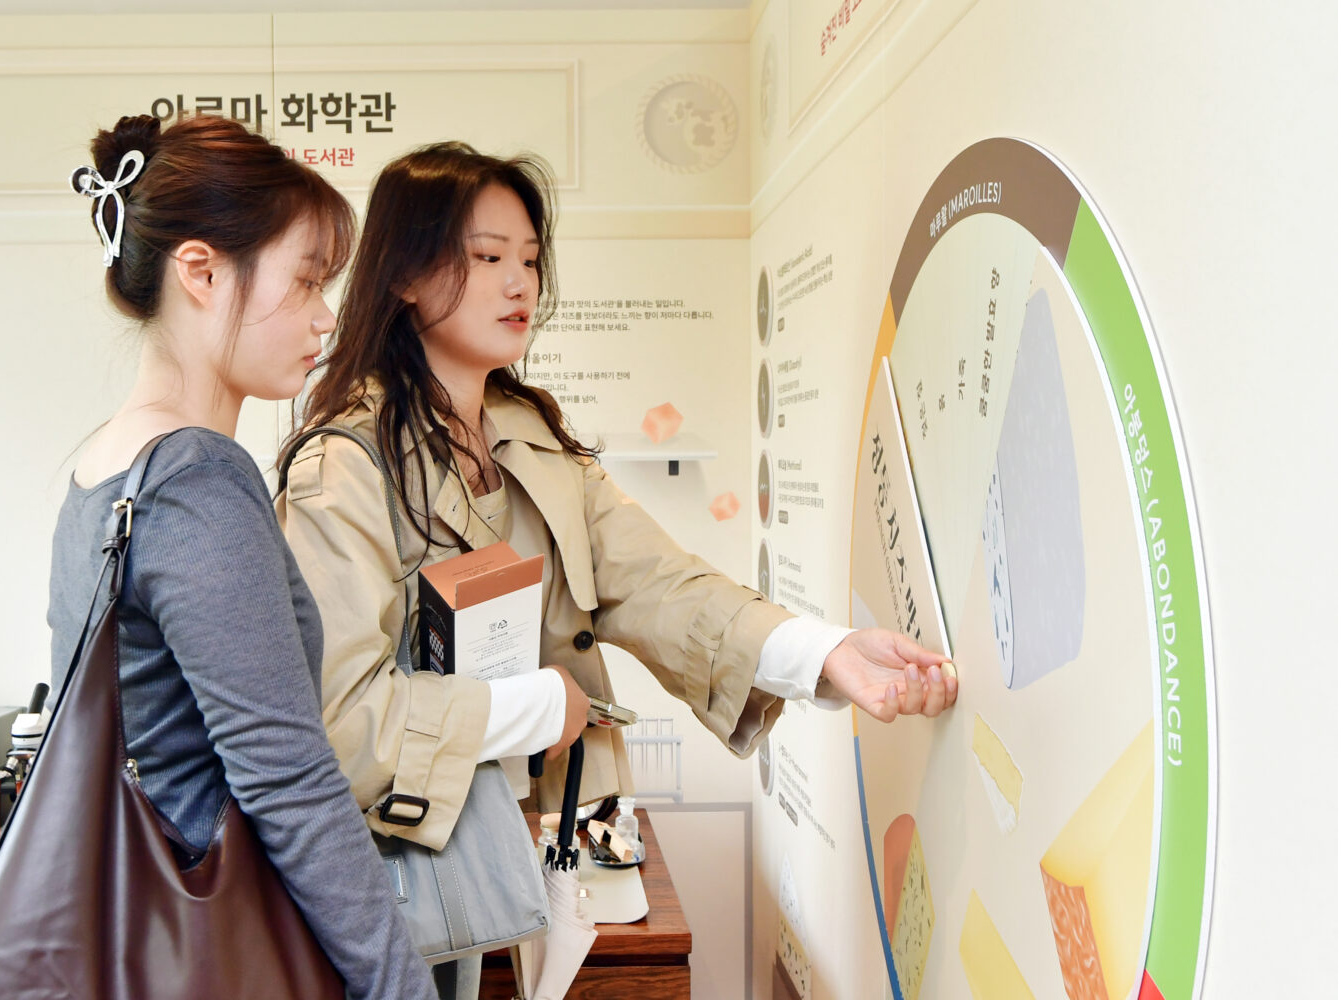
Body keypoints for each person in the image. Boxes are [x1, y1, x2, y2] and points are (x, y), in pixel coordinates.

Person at [276, 141, 956, 996]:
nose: (519, 285)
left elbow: (660, 583)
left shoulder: (533, 438)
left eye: (528, 260)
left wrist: (824, 653)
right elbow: (339, 719)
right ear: (405, 276)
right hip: (420, 872)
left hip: (571, 835)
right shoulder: (344, 466)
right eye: (486, 259)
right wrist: (532, 707)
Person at [47, 114, 437, 1000]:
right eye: (305, 281)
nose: (326, 315)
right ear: (201, 271)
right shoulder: (198, 480)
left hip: (138, 938)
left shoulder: (102, 468)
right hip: (219, 944)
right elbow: (289, 783)